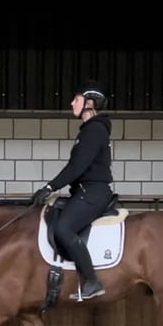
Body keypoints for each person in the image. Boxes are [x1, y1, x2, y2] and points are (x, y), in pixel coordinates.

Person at [31, 80, 114, 300]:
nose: (71, 103)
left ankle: (92, 281)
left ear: (89, 102)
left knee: (63, 228)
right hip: (84, 191)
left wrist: (49, 187)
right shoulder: (90, 130)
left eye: (76, 99)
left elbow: (77, 167)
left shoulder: (94, 130)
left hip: (93, 192)